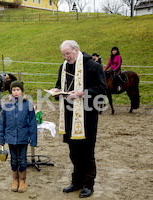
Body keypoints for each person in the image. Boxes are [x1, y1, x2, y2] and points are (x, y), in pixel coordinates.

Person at [50, 40, 106, 198]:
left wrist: (82, 93)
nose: (66, 57)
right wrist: (57, 91)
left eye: (67, 54)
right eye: (63, 54)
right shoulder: (64, 67)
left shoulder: (93, 66)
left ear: (76, 50)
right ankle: (77, 181)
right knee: (73, 152)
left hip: (87, 116)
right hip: (69, 115)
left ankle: (88, 184)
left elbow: (102, 89)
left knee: (87, 152)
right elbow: (60, 87)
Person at [0, 81, 37, 193]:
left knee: (23, 159)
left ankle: (23, 180)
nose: (16, 92)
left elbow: (32, 123)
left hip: (23, 137)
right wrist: (1, 139)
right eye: (14, 90)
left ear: (21, 91)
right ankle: (15, 179)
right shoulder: (6, 105)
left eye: (18, 90)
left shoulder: (28, 104)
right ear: (11, 91)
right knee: (14, 159)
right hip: (11, 138)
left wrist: (33, 140)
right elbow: (2, 123)